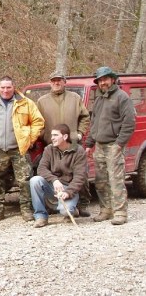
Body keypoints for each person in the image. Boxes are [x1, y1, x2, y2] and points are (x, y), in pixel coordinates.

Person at [0, 75, 44, 222]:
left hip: (19, 149)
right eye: (2, 87)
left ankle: (26, 210)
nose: (5, 90)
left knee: (24, 180)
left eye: (8, 87)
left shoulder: (25, 103)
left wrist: (30, 139)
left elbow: (38, 121)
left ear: (14, 87)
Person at [85, 66, 136, 225]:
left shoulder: (123, 98)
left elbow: (129, 123)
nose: (103, 83)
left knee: (116, 180)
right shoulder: (99, 99)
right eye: (100, 80)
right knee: (100, 181)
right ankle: (106, 210)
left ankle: (120, 212)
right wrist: (89, 143)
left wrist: (120, 144)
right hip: (99, 146)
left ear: (113, 79)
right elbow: (94, 123)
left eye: (105, 79)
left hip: (114, 144)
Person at [36, 71, 92, 217]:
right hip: (51, 145)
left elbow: (85, 117)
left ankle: (83, 204)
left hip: (72, 143)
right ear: (50, 83)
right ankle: (54, 204)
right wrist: (43, 135)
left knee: (80, 174)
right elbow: (38, 122)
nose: (56, 83)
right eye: (53, 80)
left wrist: (79, 133)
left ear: (64, 82)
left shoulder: (75, 98)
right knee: (53, 172)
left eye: (59, 80)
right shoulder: (42, 101)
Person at [30, 124, 87, 228]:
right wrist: (54, 180)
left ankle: (73, 210)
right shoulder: (49, 149)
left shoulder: (78, 151)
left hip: (69, 189)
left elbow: (80, 177)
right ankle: (41, 216)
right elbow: (41, 169)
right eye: (52, 135)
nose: (52, 138)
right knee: (35, 180)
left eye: (55, 135)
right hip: (53, 186)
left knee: (65, 212)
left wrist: (68, 192)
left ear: (65, 137)